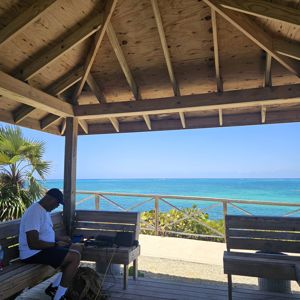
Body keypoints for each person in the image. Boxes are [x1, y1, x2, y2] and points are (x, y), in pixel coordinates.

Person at [19, 188, 82, 300]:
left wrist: (60, 238)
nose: (57, 206)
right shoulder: (34, 212)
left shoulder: (44, 211)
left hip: (42, 249)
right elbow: (33, 243)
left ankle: (54, 287)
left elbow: (44, 234)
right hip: (32, 253)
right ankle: (59, 297)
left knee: (77, 247)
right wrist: (55, 245)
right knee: (74, 257)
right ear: (49, 199)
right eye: (57, 203)